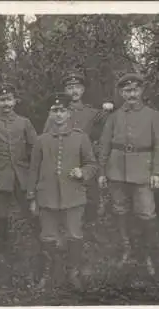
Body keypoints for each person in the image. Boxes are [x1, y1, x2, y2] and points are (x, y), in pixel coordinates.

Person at [97, 73, 159, 288]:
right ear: (121, 93)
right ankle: (126, 248)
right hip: (117, 170)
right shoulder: (114, 117)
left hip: (143, 171)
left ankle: (147, 255)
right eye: (127, 91)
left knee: (146, 212)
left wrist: (157, 172)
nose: (132, 94)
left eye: (135, 90)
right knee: (120, 209)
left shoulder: (152, 115)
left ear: (142, 91)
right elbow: (104, 145)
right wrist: (101, 171)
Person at [28, 93, 98, 291]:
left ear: (69, 114)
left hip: (73, 195)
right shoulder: (41, 140)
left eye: (62, 111)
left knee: (74, 234)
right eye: (55, 111)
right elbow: (33, 170)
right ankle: (51, 271)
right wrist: (32, 197)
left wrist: (82, 172)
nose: (59, 115)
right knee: (48, 236)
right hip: (47, 196)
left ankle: (72, 271)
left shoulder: (80, 137)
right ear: (50, 114)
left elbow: (92, 164)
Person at [0, 83, 38, 271]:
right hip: (0, 176)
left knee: (30, 210)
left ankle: (38, 247)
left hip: (22, 174)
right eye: (2, 100)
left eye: (9, 100)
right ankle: (1, 249)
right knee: (0, 214)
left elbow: (34, 148)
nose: (6, 104)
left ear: (15, 101)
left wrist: (32, 170)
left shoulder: (24, 122)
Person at [43, 69, 111, 224]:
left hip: (86, 160)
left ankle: (89, 228)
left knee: (90, 195)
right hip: (64, 159)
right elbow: (47, 135)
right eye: (69, 88)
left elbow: (109, 128)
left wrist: (109, 108)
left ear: (83, 89)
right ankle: (67, 228)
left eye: (77, 87)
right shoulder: (57, 112)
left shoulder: (92, 112)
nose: (74, 91)